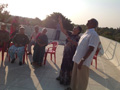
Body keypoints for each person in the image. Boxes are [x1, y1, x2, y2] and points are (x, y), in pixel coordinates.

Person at [66, 18, 100, 90]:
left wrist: (82, 60)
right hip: (77, 59)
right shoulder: (86, 33)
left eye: (89, 21)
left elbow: (91, 49)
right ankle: (72, 88)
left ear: (93, 24)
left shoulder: (94, 35)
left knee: (81, 80)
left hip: (83, 62)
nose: (87, 21)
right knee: (75, 77)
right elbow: (80, 45)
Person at [56, 16, 82, 85]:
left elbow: (77, 45)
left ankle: (67, 80)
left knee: (69, 66)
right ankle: (61, 77)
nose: (74, 28)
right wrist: (60, 22)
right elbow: (62, 29)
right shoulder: (69, 33)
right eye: (74, 27)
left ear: (78, 31)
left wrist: (71, 41)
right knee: (63, 64)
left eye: (76, 28)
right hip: (66, 53)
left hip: (71, 54)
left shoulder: (78, 37)